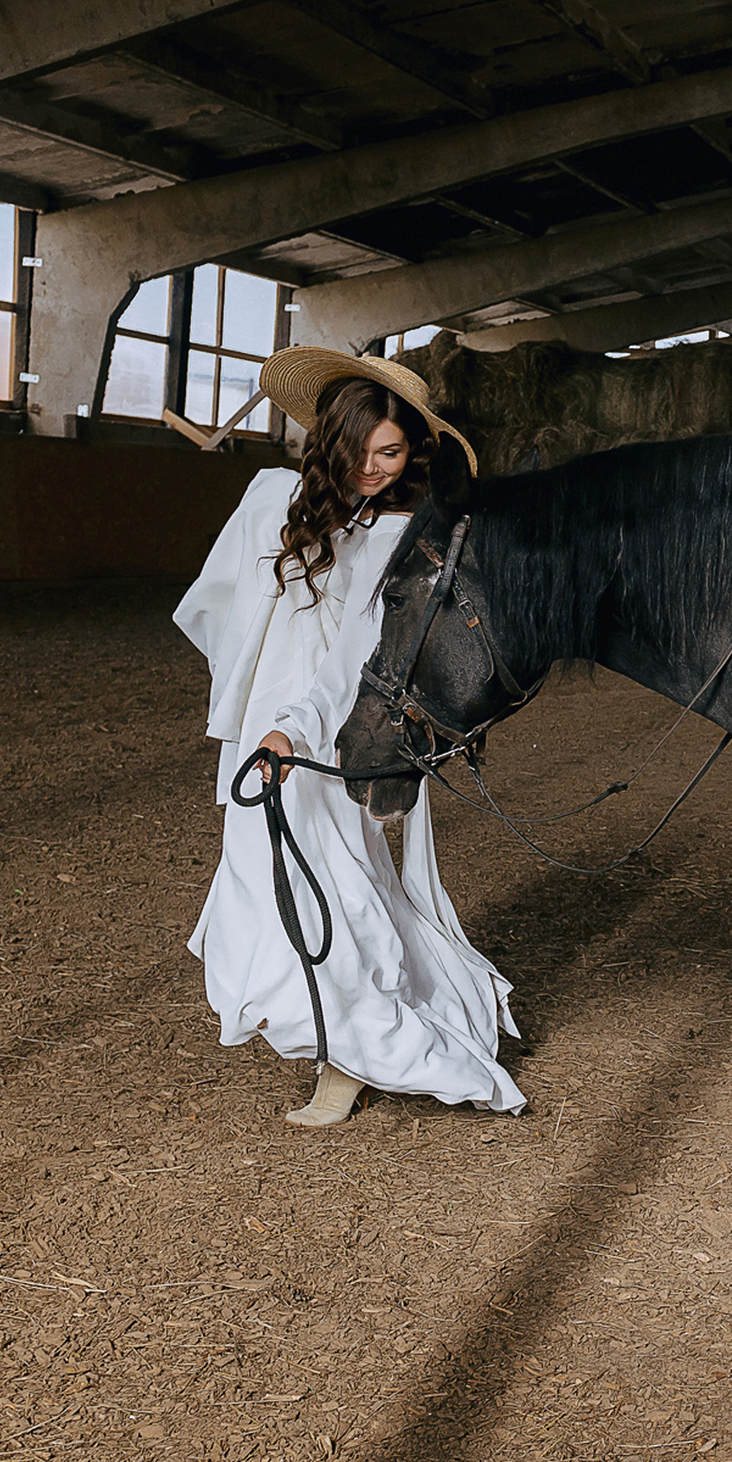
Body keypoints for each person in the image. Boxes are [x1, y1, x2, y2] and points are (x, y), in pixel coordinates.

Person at [172, 346, 524, 1126]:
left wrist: (293, 726)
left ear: (411, 453)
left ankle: (347, 1056)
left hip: (331, 733)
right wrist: (249, 703)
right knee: (256, 876)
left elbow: (352, 656)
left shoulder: (397, 534)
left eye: (390, 452)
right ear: (331, 437)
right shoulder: (269, 499)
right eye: (360, 449)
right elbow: (216, 607)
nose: (372, 466)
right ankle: (335, 1033)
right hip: (257, 730)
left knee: (337, 884)